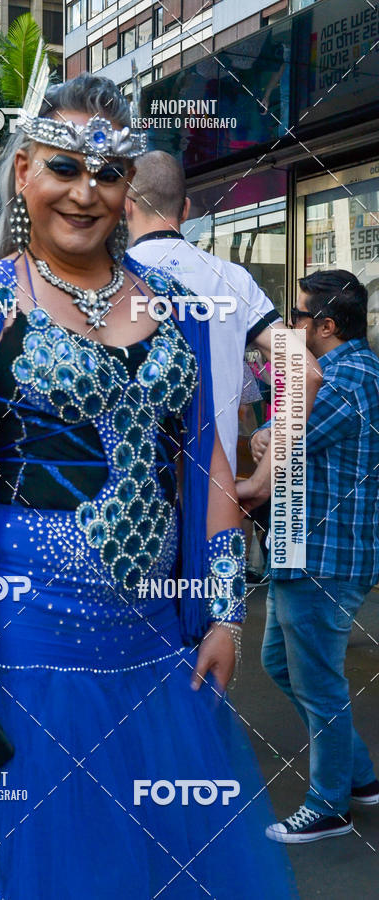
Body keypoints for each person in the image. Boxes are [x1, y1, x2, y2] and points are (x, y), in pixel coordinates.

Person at [0, 74, 296, 898]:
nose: (85, 193)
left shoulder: (179, 309)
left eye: (108, 173)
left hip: (159, 656)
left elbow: (209, 468)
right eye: (63, 167)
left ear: (129, 188)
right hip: (22, 653)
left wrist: (227, 611)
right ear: (23, 173)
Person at [250, 270, 379, 842]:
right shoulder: (340, 374)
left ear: (325, 325)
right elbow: (277, 436)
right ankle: (359, 777)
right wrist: (271, 438)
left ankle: (330, 805)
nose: (287, 326)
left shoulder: (345, 379)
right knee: (283, 664)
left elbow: (284, 441)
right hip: (305, 550)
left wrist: (269, 440)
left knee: (319, 682)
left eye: (296, 316)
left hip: (321, 556)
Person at [125, 150, 321, 478]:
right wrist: (262, 482)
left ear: (126, 205)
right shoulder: (232, 279)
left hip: (128, 501)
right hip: (216, 498)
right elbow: (307, 372)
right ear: (185, 209)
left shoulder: (108, 278)